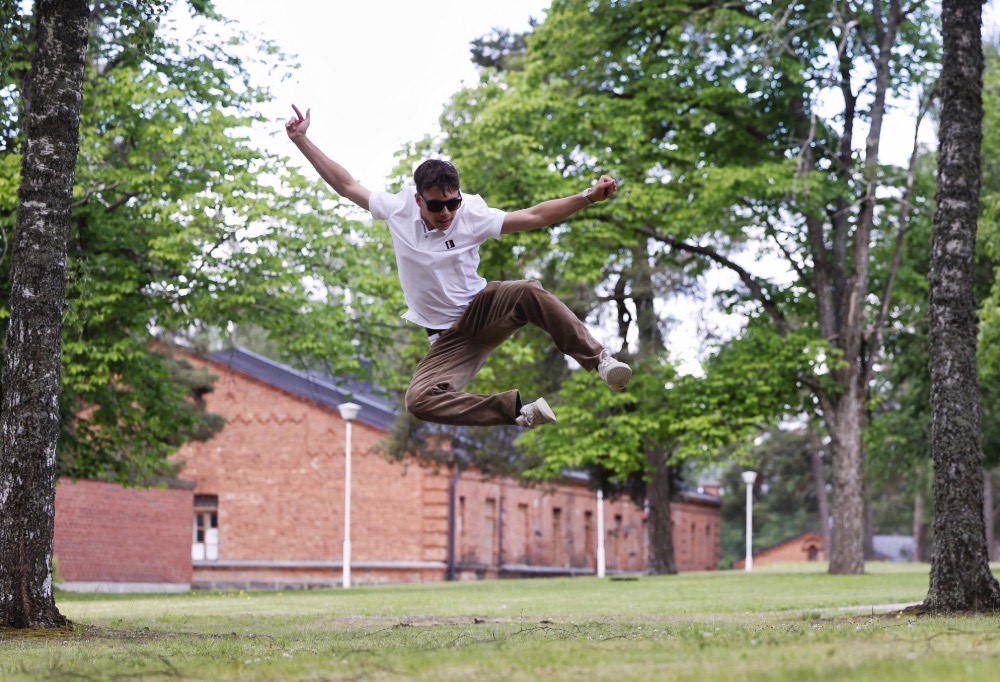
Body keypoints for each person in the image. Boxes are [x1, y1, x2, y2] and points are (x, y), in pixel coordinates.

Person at [286, 105, 632, 429]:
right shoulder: (396, 209)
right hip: (448, 339)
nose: (446, 213)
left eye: (453, 203)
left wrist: (587, 197)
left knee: (528, 291)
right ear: (418, 199)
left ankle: (601, 361)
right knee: (419, 400)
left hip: (483, 309)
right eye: (437, 206)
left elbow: (534, 216)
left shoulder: (472, 214)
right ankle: (518, 412)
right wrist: (301, 140)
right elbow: (346, 185)